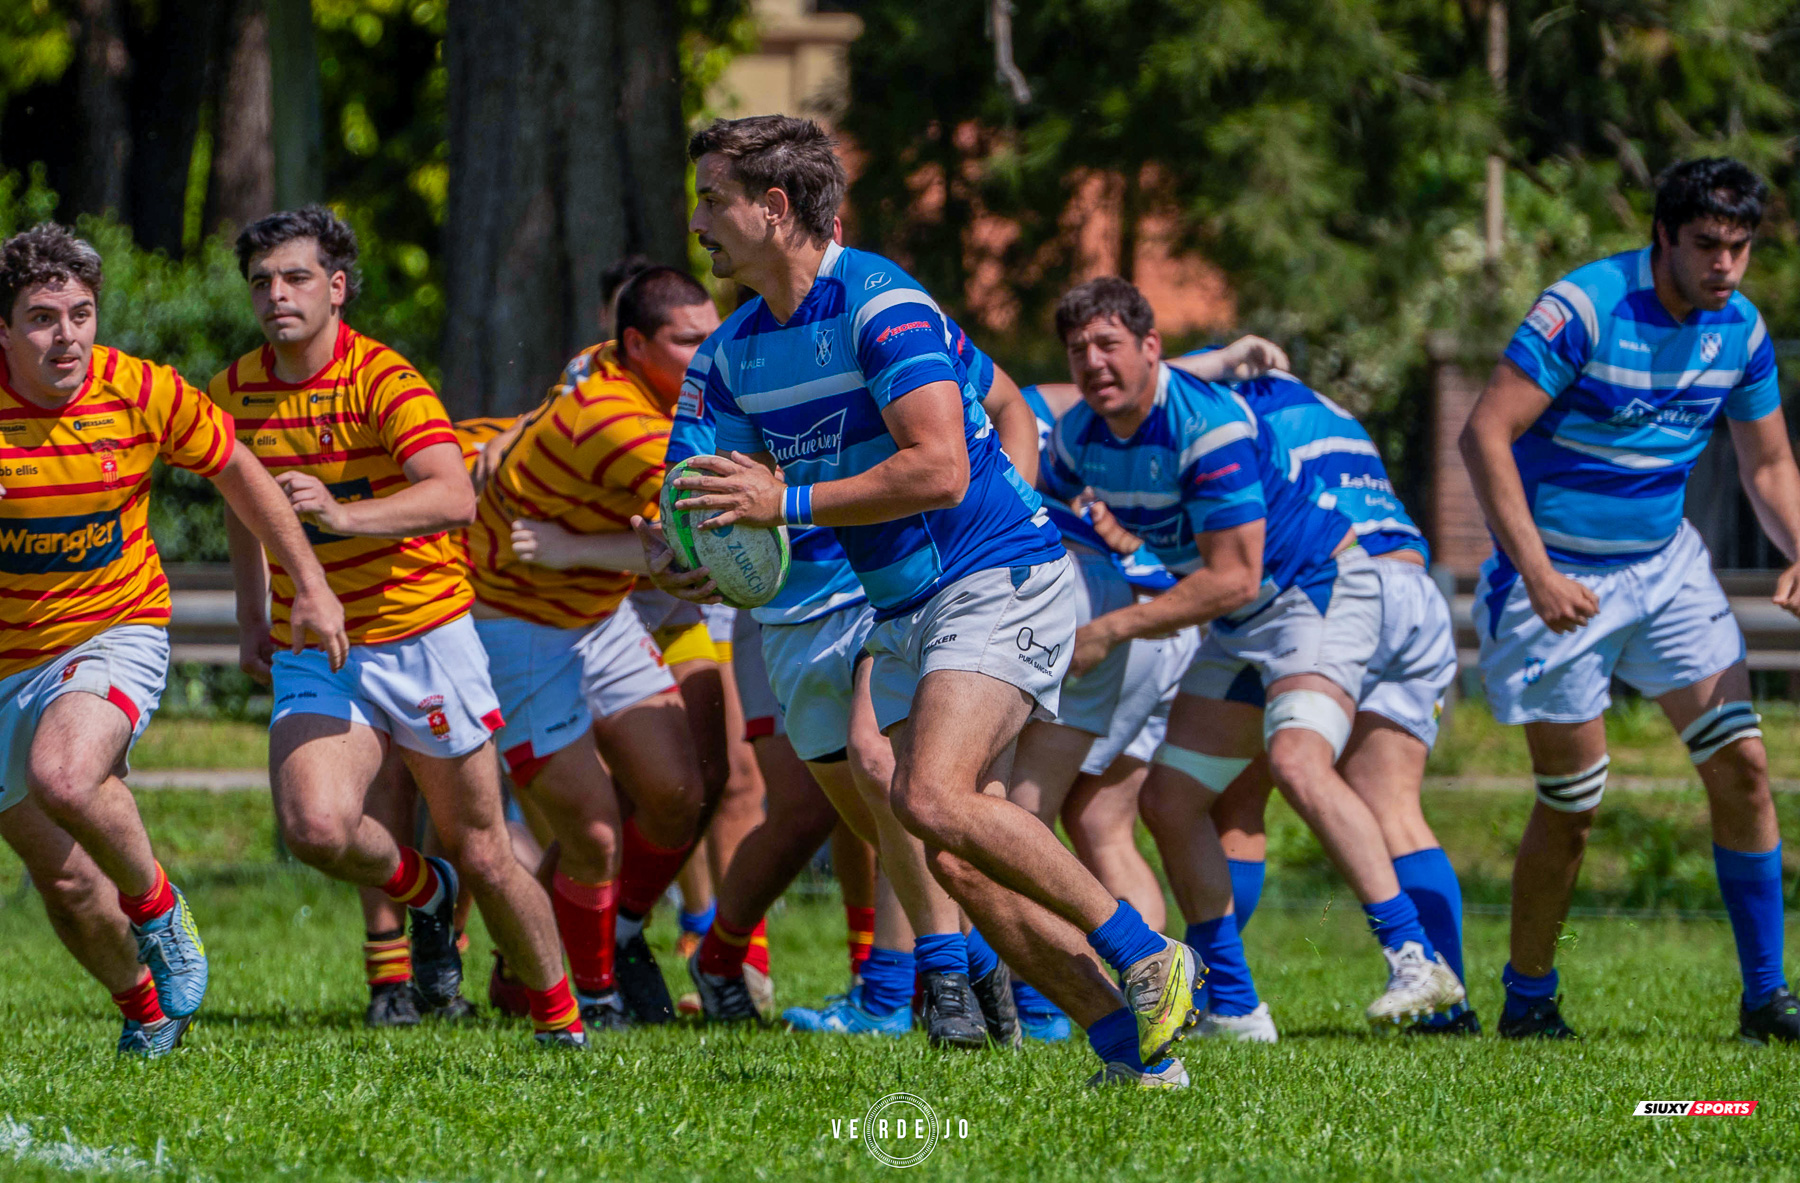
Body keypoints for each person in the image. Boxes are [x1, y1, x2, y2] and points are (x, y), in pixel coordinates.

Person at [659, 115, 1200, 1087]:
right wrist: (707, 552)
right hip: (905, 603)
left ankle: (1148, 954)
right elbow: (712, 494)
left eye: (711, 199)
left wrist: (783, 502)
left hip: (996, 577)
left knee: (927, 794)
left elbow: (946, 465)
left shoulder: (882, 305)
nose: (696, 220)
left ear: (774, 209)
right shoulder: (732, 352)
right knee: (955, 856)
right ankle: (1129, 1045)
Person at [1048, 277, 1467, 1040]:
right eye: (1078, 350)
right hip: (1241, 617)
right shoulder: (1080, 435)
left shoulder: (1206, 427)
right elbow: (1049, 508)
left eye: (1108, 344)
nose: (1092, 362)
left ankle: (1415, 956)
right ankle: (1235, 1006)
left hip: (1317, 589)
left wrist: (1111, 629)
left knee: (1300, 760)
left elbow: (1234, 574)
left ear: (1151, 348)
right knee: (1169, 801)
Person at [212, 206, 585, 1047]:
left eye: (297, 277)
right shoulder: (234, 391)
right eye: (263, 282)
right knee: (314, 827)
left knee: (486, 846)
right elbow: (242, 503)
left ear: (337, 288)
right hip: (320, 645)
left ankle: (563, 1021)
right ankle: (425, 889)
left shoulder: (385, 379)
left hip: (424, 635)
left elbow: (454, 496)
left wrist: (343, 517)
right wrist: (249, 609)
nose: (278, 295)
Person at [1459, 157, 1800, 1043]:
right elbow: (1484, 433)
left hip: (1666, 568)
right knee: (1574, 801)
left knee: (1744, 765)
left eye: (1740, 247)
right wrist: (1534, 570)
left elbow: (1767, 463)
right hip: (1557, 574)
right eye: (1706, 246)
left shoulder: (1743, 329)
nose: (1725, 264)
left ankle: (1767, 999)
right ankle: (1529, 997)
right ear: (1662, 237)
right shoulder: (1581, 309)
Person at [0, 222, 348, 1058]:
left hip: (113, 625)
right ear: (4, 331)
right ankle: (147, 1007)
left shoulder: (140, 390)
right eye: (43, 318)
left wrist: (312, 581)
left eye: (81, 314)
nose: (68, 336)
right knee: (68, 877)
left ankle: (161, 910)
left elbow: (242, 474)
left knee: (63, 772)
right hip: (10, 656)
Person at [1163, 348, 1472, 1035]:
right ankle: (1447, 1010)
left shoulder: (1226, 409)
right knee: (1394, 808)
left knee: (1240, 800)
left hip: (1333, 588)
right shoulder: (1334, 411)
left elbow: (1148, 384)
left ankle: (1219, 993)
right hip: (1413, 591)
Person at [477, 265, 720, 1027]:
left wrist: (570, 550)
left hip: (597, 612)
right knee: (591, 832)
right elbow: (702, 552)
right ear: (638, 343)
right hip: (517, 627)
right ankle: (595, 992)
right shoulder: (624, 423)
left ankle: (608, 933)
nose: (708, 354)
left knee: (680, 794)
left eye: (714, 336)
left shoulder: (614, 366)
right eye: (691, 342)